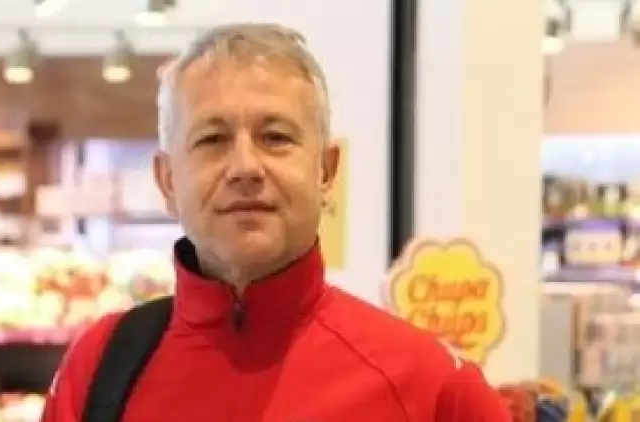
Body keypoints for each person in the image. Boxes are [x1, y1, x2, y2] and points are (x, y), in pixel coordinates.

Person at [40, 23, 510, 421]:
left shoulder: (428, 385)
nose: (245, 167)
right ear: (167, 181)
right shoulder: (98, 368)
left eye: (275, 137)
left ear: (326, 170)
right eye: (212, 139)